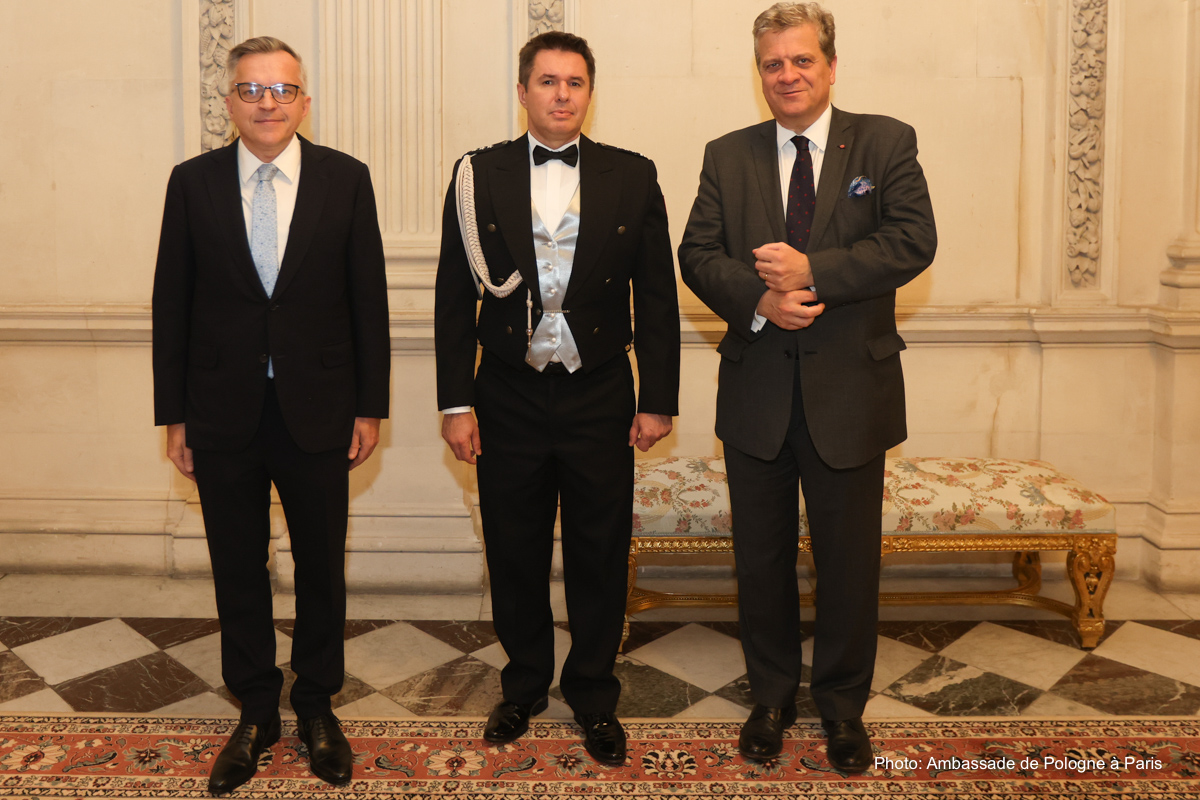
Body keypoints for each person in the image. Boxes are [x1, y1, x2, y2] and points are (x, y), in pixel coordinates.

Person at [678, 2, 936, 773]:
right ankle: (770, 699)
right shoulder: (727, 155)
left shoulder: (884, 141)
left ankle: (843, 709)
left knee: (848, 564)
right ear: (759, 72)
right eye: (773, 64)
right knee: (759, 562)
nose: (787, 75)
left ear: (830, 64)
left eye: (801, 60)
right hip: (756, 395)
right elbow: (697, 253)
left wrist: (812, 270)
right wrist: (761, 300)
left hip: (850, 395)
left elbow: (912, 240)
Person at [152, 36, 390, 794]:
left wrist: (370, 406)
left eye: (282, 89)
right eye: (251, 90)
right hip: (220, 412)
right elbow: (171, 302)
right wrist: (173, 415)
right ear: (229, 102)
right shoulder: (191, 183)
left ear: (304, 101)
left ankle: (317, 705)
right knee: (238, 567)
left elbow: (368, 299)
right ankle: (256, 709)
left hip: (319, 409)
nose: (267, 103)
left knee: (321, 566)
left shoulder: (345, 179)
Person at [435, 31, 679, 768]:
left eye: (575, 82)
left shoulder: (633, 175)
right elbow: (454, 296)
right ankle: (523, 686)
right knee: (514, 547)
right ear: (523, 91)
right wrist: (455, 402)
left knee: (600, 551)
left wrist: (657, 397)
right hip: (505, 392)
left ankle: (595, 694)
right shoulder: (477, 175)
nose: (562, 94)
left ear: (589, 93)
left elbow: (657, 295)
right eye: (547, 81)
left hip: (600, 390)